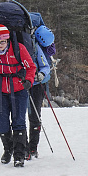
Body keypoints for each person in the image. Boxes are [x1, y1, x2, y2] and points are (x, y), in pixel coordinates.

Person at [0, 24, 36, 167]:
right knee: (1, 121)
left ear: (7, 39)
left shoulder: (18, 49)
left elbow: (30, 67)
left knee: (18, 121)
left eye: (3, 41)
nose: (0, 45)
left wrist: (29, 80)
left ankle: (19, 154)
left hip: (19, 88)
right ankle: (8, 148)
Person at [27, 25, 55, 159]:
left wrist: (41, 74)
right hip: (32, 84)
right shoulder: (31, 43)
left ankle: (30, 148)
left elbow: (45, 66)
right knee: (32, 117)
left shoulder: (34, 45)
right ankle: (29, 148)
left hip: (35, 84)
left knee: (32, 116)